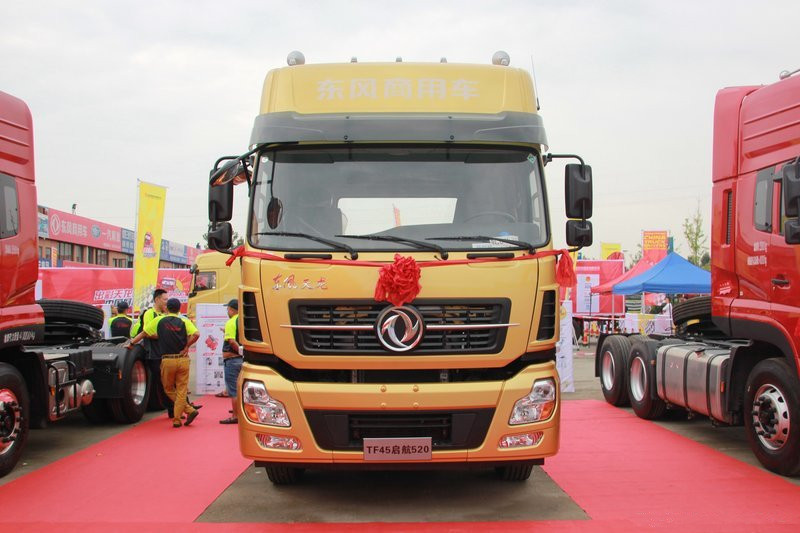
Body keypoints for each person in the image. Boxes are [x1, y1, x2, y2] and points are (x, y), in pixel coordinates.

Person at [143, 298, 200, 428]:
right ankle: (179, 417)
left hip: (167, 359)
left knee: (168, 389)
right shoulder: (184, 320)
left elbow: (145, 332)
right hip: (183, 359)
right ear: (179, 309)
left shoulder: (159, 320)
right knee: (181, 390)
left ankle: (185, 413)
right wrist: (187, 346)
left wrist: (132, 342)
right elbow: (196, 334)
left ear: (167, 308)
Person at [220, 299, 242, 424]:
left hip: (232, 359)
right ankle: (239, 411)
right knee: (241, 389)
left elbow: (232, 341)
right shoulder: (243, 320)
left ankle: (235, 416)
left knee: (233, 390)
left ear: (232, 310)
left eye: (228, 309)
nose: (227, 311)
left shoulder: (231, 322)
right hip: (241, 360)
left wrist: (240, 351)